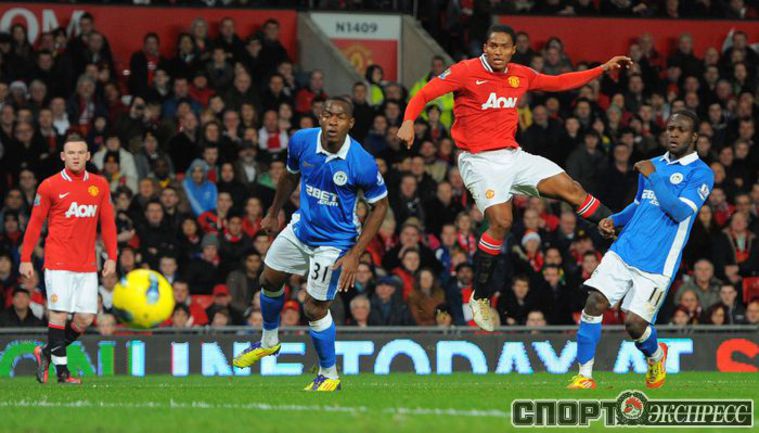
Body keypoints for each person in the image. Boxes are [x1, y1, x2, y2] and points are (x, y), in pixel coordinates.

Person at [398, 24, 632, 331]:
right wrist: (408, 121)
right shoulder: (464, 71)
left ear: (513, 50)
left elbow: (559, 82)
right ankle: (481, 296)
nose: (497, 51)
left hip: (513, 155)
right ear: (485, 47)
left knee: (571, 189)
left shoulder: (520, 74)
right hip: (478, 161)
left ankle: (622, 230)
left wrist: (601, 69)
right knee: (502, 222)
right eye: (492, 46)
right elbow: (425, 93)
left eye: (503, 47)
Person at [232, 98, 389, 392]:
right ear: (320, 118)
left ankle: (329, 375)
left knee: (314, 308)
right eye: (327, 115)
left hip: (334, 242)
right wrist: (273, 212)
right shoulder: (301, 141)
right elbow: (289, 176)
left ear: (350, 123)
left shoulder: (361, 162)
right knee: (268, 279)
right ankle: (268, 341)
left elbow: (380, 206)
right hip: (301, 227)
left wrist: (356, 254)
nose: (332, 122)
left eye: (340, 117)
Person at [568, 111, 714, 390]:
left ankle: (656, 356)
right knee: (594, 302)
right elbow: (640, 204)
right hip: (624, 249)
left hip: (658, 262)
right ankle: (584, 376)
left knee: (635, 325)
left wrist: (655, 177)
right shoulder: (653, 165)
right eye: (670, 128)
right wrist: (614, 220)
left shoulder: (701, 173)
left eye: (681, 129)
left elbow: (679, 211)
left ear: (694, 136)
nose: (673, 133)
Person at [20, 138, 118, 384]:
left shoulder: (99, 185)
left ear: (88, 156)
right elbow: (35, 223)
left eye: (80, 152)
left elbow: (107, 223)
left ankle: (45, 352)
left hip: (87, 263)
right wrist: (25, 258)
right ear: (63, 156)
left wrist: (112, 256)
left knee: (85, 318)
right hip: (58, 261)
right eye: (71, 153)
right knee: (59, 313)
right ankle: (62, 373)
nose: (75, 156)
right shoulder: (50, 185)